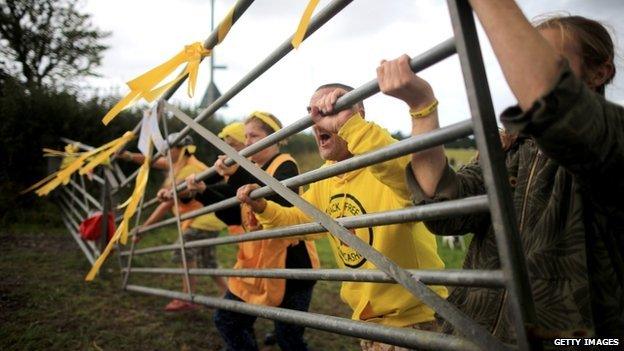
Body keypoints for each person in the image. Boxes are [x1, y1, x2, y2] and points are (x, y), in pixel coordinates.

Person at [377, 0, 623, 342]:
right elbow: (444, 211)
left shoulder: (615, 141)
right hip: (472, 334)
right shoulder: (507, 148)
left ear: (600, 72)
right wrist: (422, 108)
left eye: (549, 62)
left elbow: (563, 109)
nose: (521, 71)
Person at [236, 84, 448, 351]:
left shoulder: (384, 158)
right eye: (313, 113)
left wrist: (351, 126)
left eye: (331, 109)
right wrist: (263, 207)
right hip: (369, 323)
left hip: (416, 320)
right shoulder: (326, 177)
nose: (320, 121)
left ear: (357, 112)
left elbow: (414, 180)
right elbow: (298, 222)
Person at [184, 111, 320, 351]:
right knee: (228, 320)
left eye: (254, 136)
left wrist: (237, 172)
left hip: (292, 268)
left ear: (274, 138)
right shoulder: (251, 168)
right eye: (245, 136)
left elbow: (280, 202)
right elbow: (233, 214)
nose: (246, 143)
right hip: (257, 266)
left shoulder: (285, 164)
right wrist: (204, 190)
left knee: (288, 337)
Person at [120, 129, 240, 311]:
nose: (165, 153)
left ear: (179, 149)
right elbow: (153, 162)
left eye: (168, 149)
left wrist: (144, 228)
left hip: (202, 219)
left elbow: (167, 204)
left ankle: (188, 296)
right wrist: (129, 156)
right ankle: (229, 293)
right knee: (208, 261)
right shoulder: (178, 163)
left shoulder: (189, 169)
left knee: (181, 251)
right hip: (205, 218)